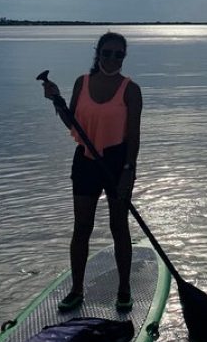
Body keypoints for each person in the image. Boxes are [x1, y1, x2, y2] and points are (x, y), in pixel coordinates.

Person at [42, 32, 142, 312]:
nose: (112, 58)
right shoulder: (82, 83)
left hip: (117, 161)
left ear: (124, 57)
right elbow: (73, 124)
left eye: (118, 54)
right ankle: (76, 290)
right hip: (86, 160)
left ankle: (124, 290)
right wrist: (56, 100)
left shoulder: (130, 89)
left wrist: (129, 170)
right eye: (107, 52)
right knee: (81, 227)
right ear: (97, 53)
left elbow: (133, 135)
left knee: (118, 226)